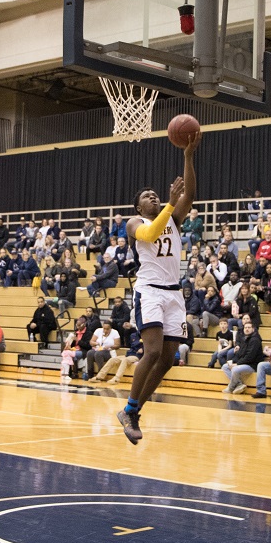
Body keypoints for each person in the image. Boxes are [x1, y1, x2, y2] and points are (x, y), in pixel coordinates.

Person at [116, 132, 200, 443]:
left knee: (167, 358)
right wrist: (168, 202)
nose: (152, 196)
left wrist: (188, 156)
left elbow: (189, 196)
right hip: (149, 289)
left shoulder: (173, 220)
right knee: (150, 351)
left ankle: (134, 410)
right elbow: (151, 235)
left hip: (174, 293)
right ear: (138, 205)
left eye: (155, 194)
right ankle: (129, 408)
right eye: (147, 195)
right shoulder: (133, 223)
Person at [223, 315, 263, 394]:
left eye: (249, 327)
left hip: (252, 365)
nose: (247, 329)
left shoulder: (255, 340)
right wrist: (233, 362)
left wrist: (237, 364)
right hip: (244, 363)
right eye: (245, 328)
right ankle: (239, 384)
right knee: (225, 366)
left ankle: (230, 388)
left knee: (235, 369)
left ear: (253, 329)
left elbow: (250, 357)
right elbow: (240, 353)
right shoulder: (244, 339)